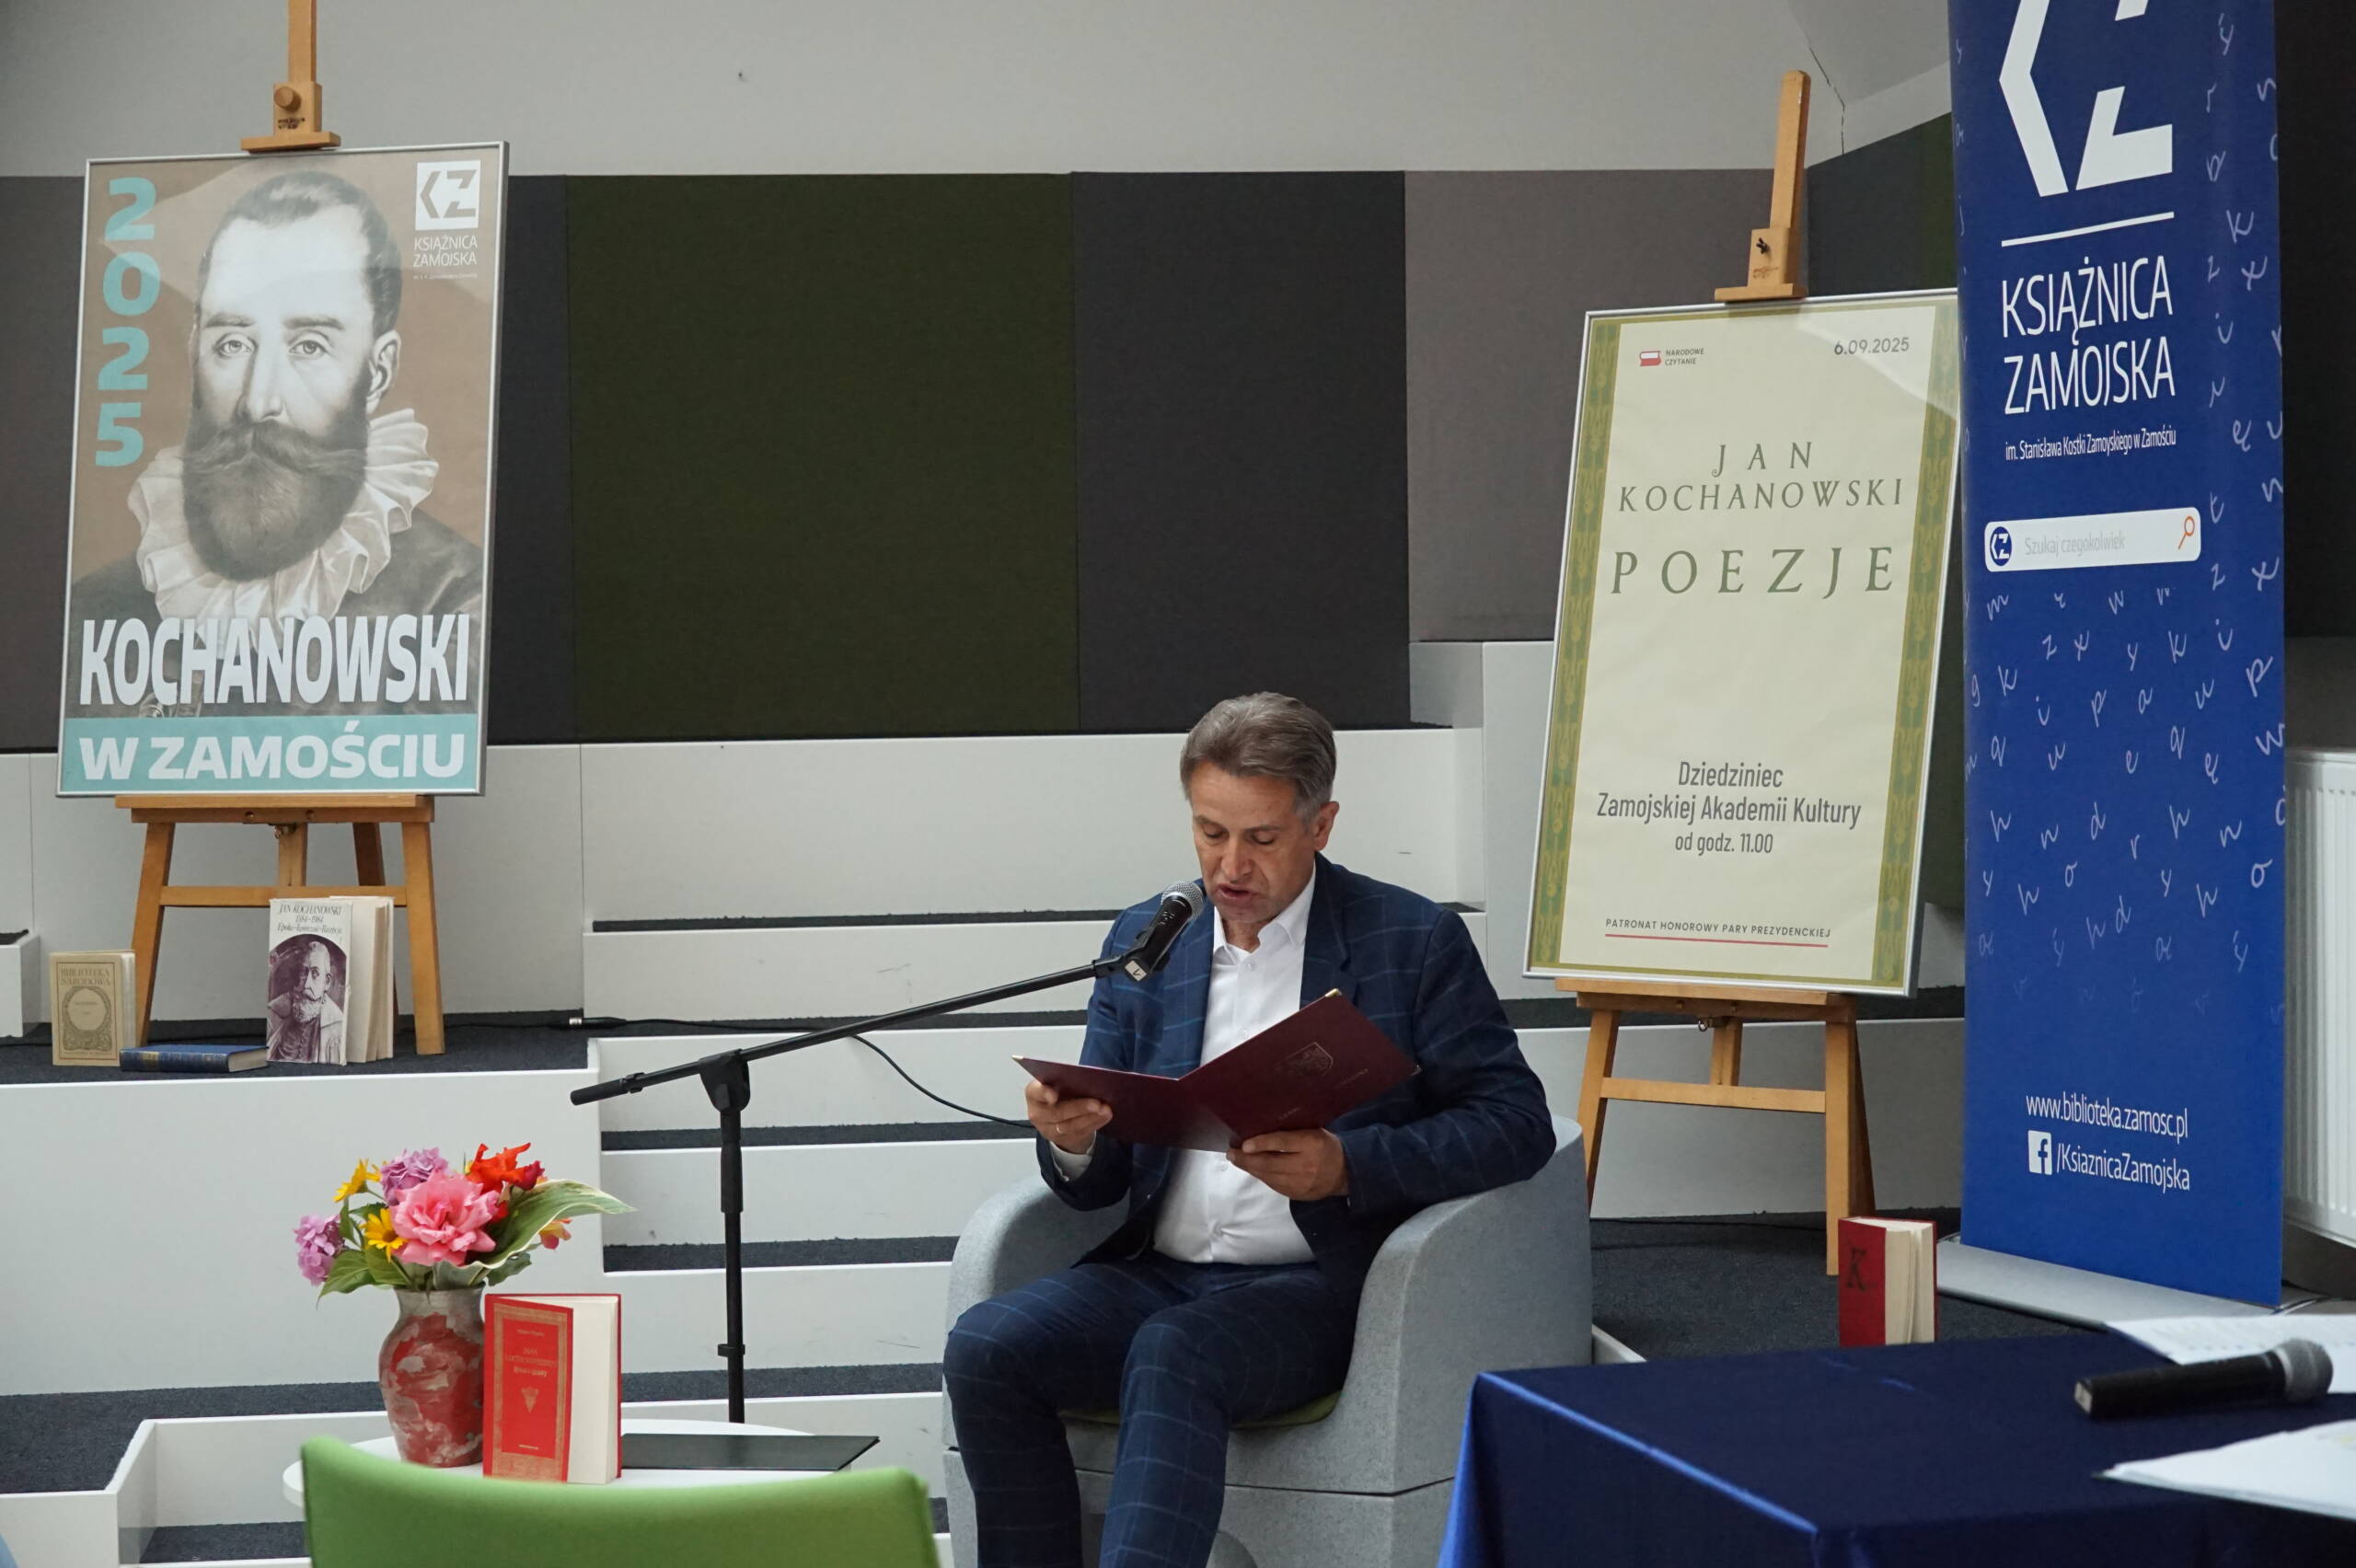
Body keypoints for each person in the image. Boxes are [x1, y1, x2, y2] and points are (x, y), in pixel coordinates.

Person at [944, 692, 1555, 1568]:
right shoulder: (1149, 940)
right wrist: (1071, 1138)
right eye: (1210, 832)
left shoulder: (1409, 940)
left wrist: (1349, 1165)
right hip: (1157, 1273)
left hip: (1316, 1284)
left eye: (1261, 838)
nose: (1230, 866)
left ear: (1321, 825)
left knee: (1175, 1352)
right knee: (988, 1348)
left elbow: (1514, 1123)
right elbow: (1102, 1178)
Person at [67, 168, 479, 715]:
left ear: (378, 373)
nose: (258, 401)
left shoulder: (452, 600)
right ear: (194, 352)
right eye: (232, 343)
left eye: (309, 346)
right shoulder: (97, 610)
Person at [266, 935, 345, 1063]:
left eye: (315, 974)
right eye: (304, 972)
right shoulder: (274, 1015)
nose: (306, 984)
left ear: (326, 982)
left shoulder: (337, 1032)